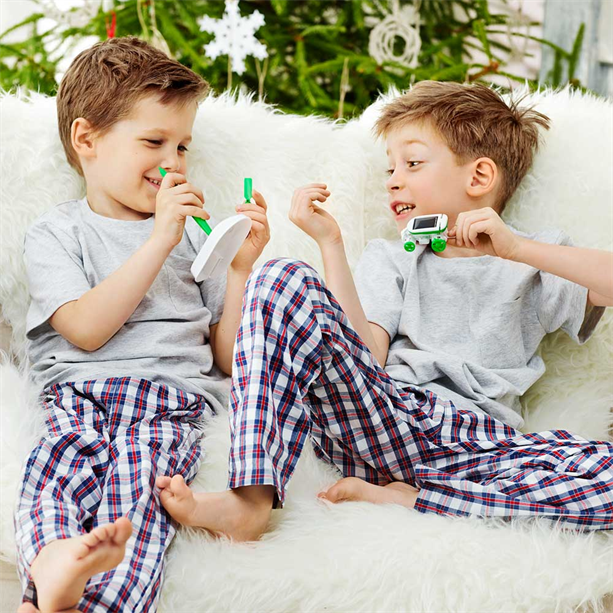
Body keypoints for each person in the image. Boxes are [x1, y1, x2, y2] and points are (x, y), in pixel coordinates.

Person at [157, 81, 613, 541]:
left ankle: (415, 499)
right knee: (279, 275)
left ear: (478, 178)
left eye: (412, 163)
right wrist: (330, 243)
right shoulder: (391, 257)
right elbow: (367, 355)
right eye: (390, 167)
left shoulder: (536, 258)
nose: (393, 180)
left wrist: (516, 250)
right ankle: (250, 500)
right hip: (386, 418)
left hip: (477, 445)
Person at [14, 36, 270, 612]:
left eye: (182, 146)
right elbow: (85, 329)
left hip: (167, 402)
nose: (173, 162)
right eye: (154, 142)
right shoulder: (58, 232)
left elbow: (228, 357)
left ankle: (96, 602)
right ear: (87, 140)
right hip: (80, 395)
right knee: (52, 471)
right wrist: (158, 241)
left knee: (139, 499)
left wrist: (239, 270)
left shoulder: (196, 237)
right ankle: (52, 563)